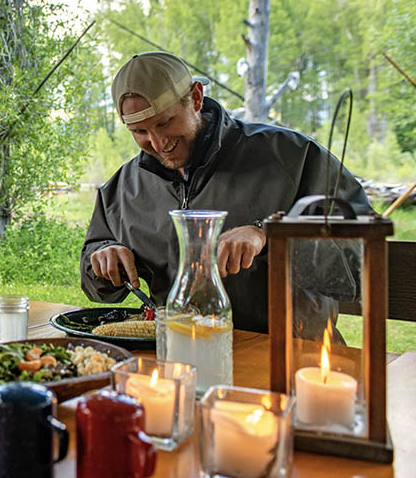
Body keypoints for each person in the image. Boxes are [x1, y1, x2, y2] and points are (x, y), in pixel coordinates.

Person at [81, 51, 373, 335]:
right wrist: (102, 259)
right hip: (178, 356)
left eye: (164, 122)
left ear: (196, 97)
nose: (157, 144)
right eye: (139, 132)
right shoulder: (123, 187)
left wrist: (270, 235)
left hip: (286, 358)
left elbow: (364, 253)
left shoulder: (292, 157)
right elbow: (94, 280)